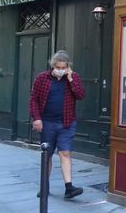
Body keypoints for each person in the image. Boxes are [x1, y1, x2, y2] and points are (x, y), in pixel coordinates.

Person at [29, 50, 85, 199]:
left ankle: (69, 187)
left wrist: (71, 79)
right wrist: (36, 118)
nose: (60, 70)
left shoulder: (73, 78)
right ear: (53, 66)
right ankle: (44, 186)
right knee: (47, 154)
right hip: (47, 123)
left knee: (65, 152)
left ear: (68, 67)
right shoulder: (42, 78)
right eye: (58, 67)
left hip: (66, 122)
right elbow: (33, 99)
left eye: (63, 67)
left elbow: (80, 95)